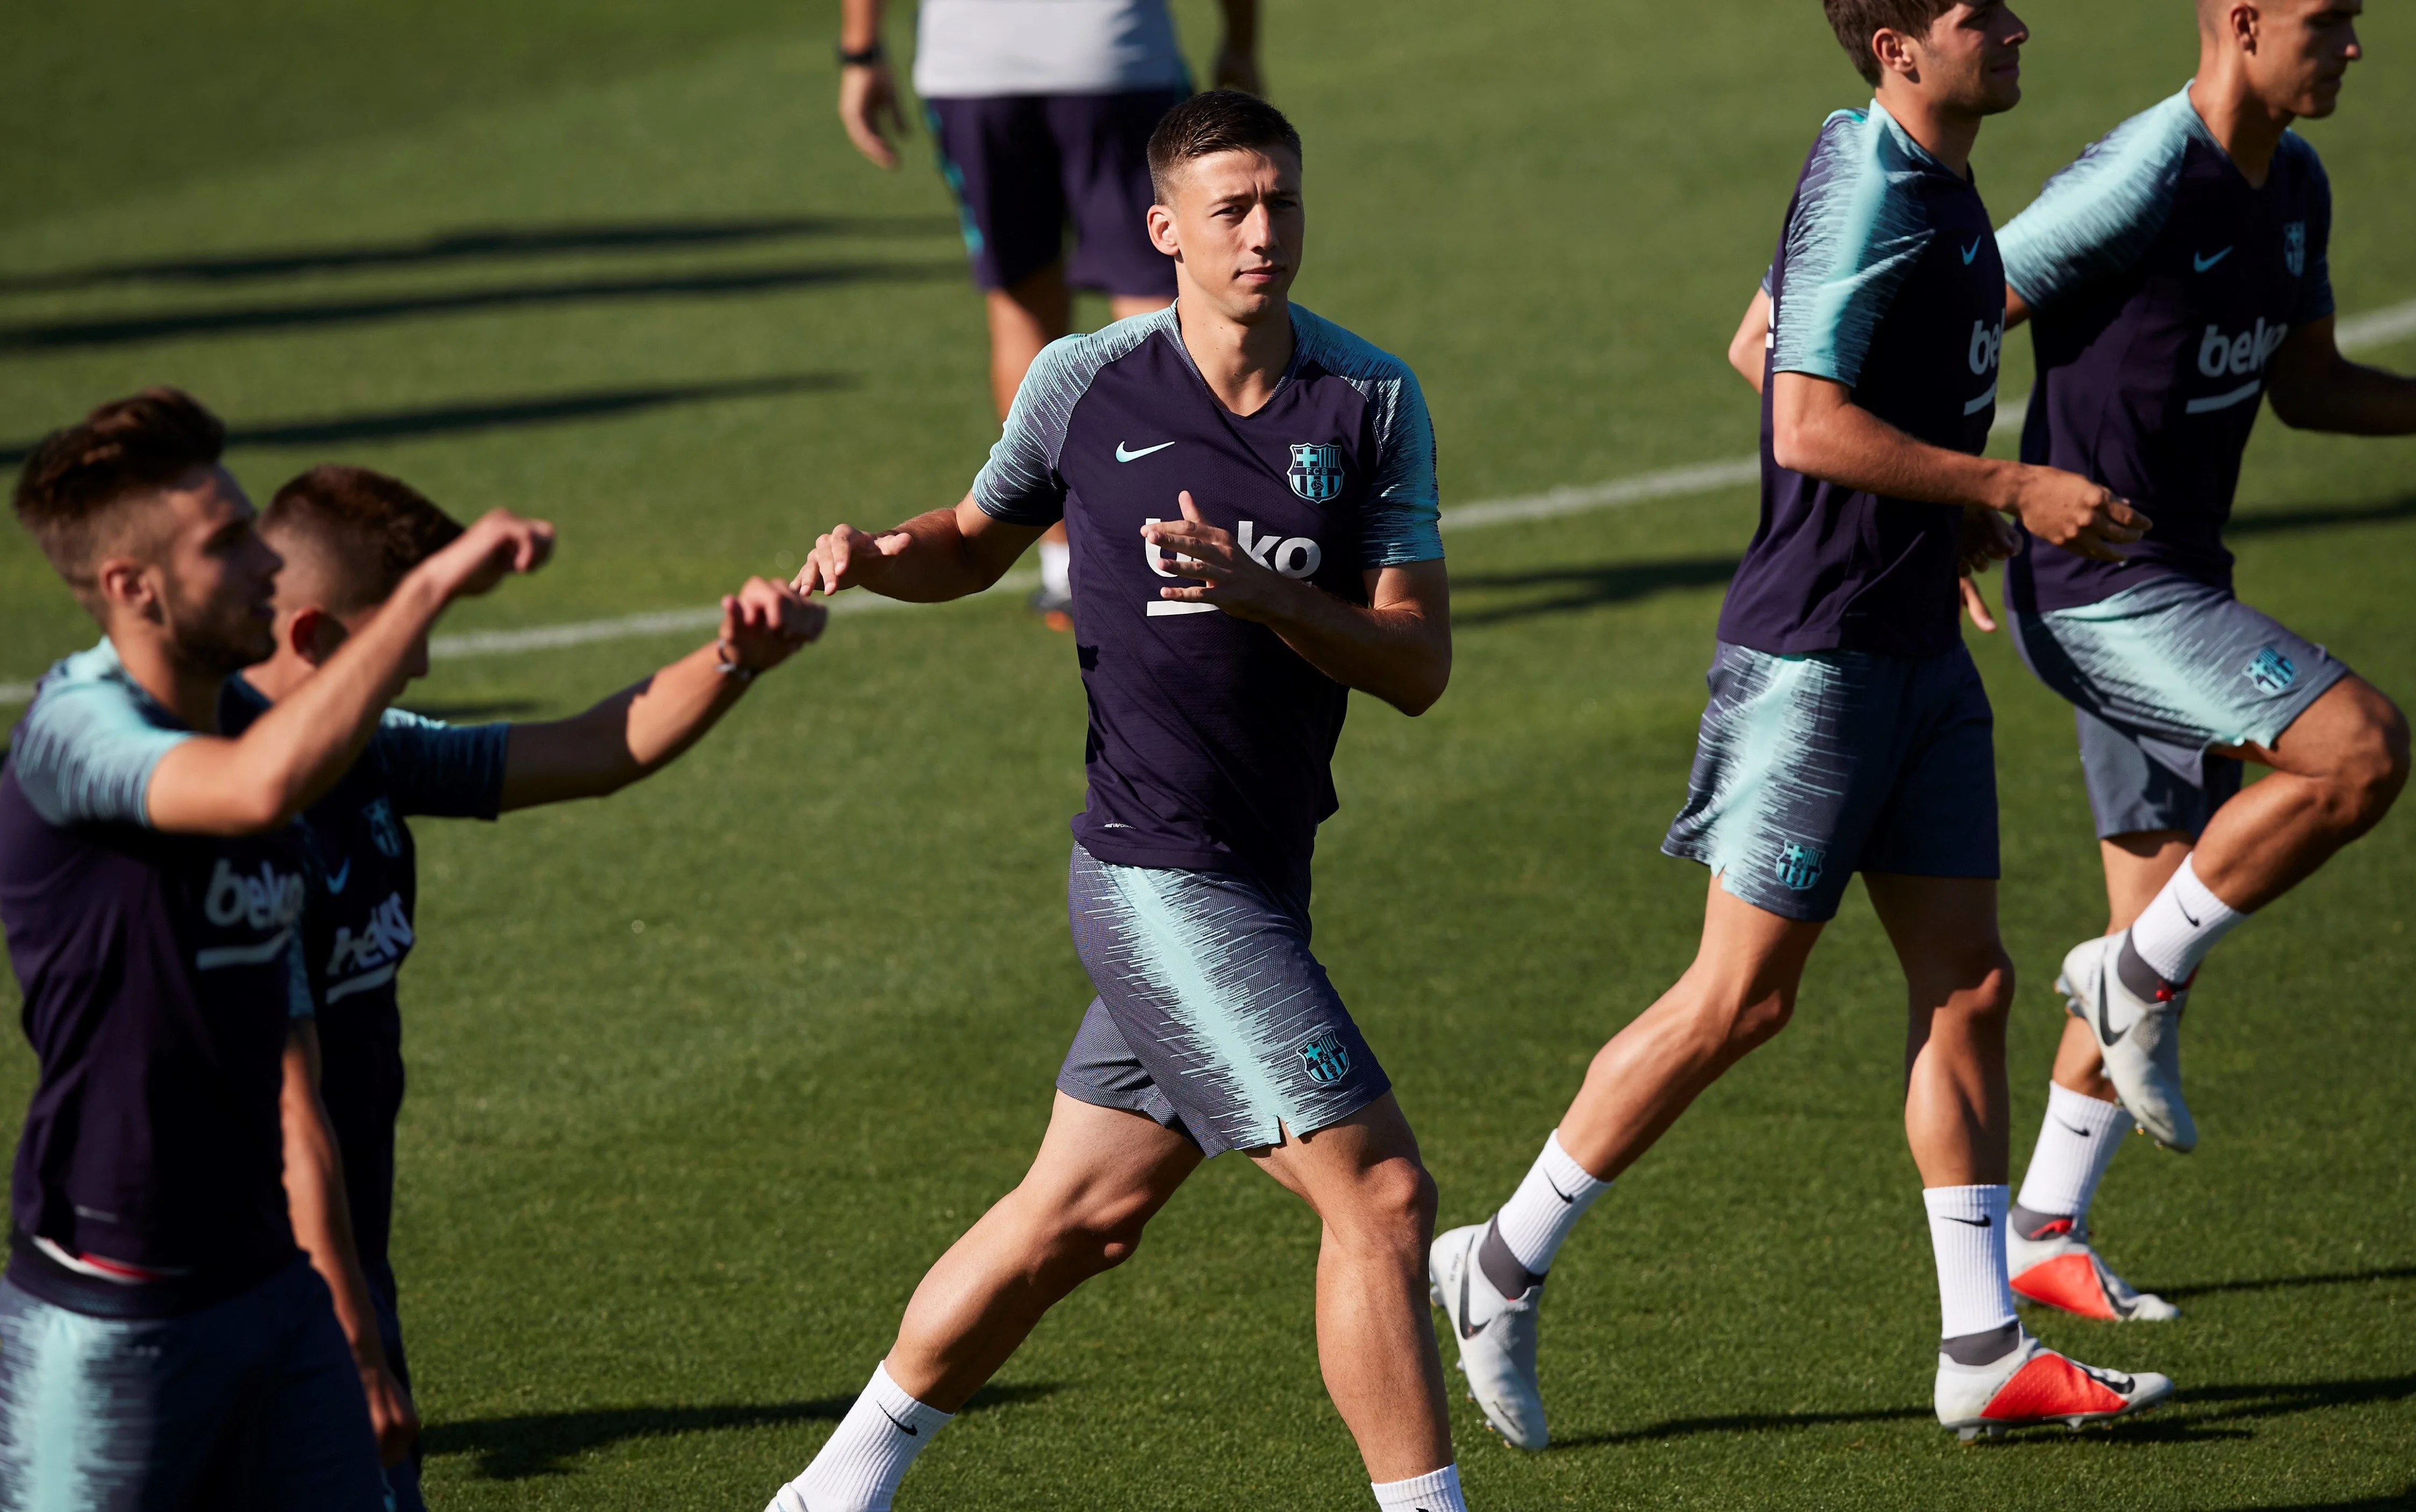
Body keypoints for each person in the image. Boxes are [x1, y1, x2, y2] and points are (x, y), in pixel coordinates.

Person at [1430, 0, 2175, 1449]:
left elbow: (1756, 338)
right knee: (1740, 999)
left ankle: (1981, 1344)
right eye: (1979, 15)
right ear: (1898, 43)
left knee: (1970, 984)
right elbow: (1798, 413)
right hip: (1816, 657)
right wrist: (2003, 490)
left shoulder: (1933, 180)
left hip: (1908, 644)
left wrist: (1940, 526)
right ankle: (1497, 1262)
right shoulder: (1868, 180)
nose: (2017, 27)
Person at [770, 91, 1464, 1511]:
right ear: (1165, 231)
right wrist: (875, 552)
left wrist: (1271, 595)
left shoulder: (1370, 399)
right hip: (1157, 876)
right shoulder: (1088, 382)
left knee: (1076, 1219)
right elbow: (973, 540)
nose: (1265, 232)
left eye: (1283, 202)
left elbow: (1417, 665)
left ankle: (831, 1488)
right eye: (1232, 209)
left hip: (1263, 870)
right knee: (1381, 1196)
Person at [1983, 0, 2416, 1323]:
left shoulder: (2294, 180)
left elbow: (2305, 388)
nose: (2353, 47)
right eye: (2327, 20)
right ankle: (2123, 975)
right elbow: (1957, 310)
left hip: (2180, 581)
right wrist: (1970, 496)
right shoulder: (2140, 174)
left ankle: (2042, 1227)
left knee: (2165, 892)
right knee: (2356, 750)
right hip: (2095, 589)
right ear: (2241, 22)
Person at [230, 464, 826, 1509]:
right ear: (320, 636)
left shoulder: (363, 751)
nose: (419, 662)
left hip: (346, 1261)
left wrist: (733, 658)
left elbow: (589, 749)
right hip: (251, 1276)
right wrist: (354, 1343)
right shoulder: (227, 815)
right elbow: (288, 1118)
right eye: (407, 628)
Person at [0, 389, 550, 1502]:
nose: (264, 559)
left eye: (254, 526)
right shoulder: (76, 730)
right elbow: (255, 786)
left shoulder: (263, 729)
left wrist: (347, 1315)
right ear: (131, 586)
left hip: (278, 1283)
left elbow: (292, 1066)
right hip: (112, 1310)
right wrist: (431, 586)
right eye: (226, 541)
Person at [836, 0, 1264, 628]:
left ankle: (1065, 566)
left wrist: (861, 51)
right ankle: (1181, 547)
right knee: (1161, 302)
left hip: (974, 67)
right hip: (1114, 54)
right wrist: (1239, 42)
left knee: (1019, 311)